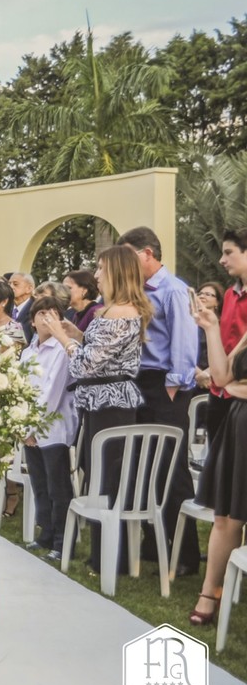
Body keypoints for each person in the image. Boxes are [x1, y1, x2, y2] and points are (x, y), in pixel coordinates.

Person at [42, 245, 151, 576]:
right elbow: (100, 352)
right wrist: (76, 333)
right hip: (102, 401)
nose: (97, 275)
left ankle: (110, 559)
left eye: (102, 269)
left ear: (116, 272)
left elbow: (85, 365)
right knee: (99, 476)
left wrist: (62, 338)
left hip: (110, 404)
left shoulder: (119, 313)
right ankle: (105, 555)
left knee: (108, 481)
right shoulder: (112, 310)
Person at [117, 226, 200, 576]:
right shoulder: (134, 290)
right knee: (142, 465)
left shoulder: (174, 290)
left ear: (147, 253)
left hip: (165, 386)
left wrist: (173, 385)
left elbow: (185, 341)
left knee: (171, 466)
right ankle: (153, 544)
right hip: (139, 383)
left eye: (129, 255)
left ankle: (186, 554)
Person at [187, 290, 247, 625]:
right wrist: (210, 328)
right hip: (240, 424)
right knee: (225, 517)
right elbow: (221, 378)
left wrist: (237, 388)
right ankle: (209, 593)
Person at [21, 296, 77, 561]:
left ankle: (63, 540)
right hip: (28, 428)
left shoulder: (62, 350)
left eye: (53, 313)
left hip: (53, 426)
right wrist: (23, 427)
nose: (47, 318)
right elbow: (20, 388)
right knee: (39, 483)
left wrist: (33, 427)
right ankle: (45, 532)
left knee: (58, 487)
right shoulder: (28, 352)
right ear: (32, 321)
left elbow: (52, 392)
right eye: (41, 314)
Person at [204, 229, 247, 449]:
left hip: (240, 397)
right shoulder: (230, 294)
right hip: (218, 393)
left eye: (229, 252)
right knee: (216, 460)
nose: (222, 260)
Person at [194, 281, 225, 390]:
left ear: (217, 302)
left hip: (216, 379)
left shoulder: (223, 325)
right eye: (199, 293)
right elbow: (181, 350)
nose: (202, 296)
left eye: (208, 294)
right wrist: (198, 373)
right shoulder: (188, 322)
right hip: (190, 377)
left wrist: (207, 373)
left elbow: (228, 352)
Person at [9, 272, 36, 344]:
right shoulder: (5, 307)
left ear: (29, 288)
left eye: (15, 284)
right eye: (9, 284)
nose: (11, 287)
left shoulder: (36, 308)